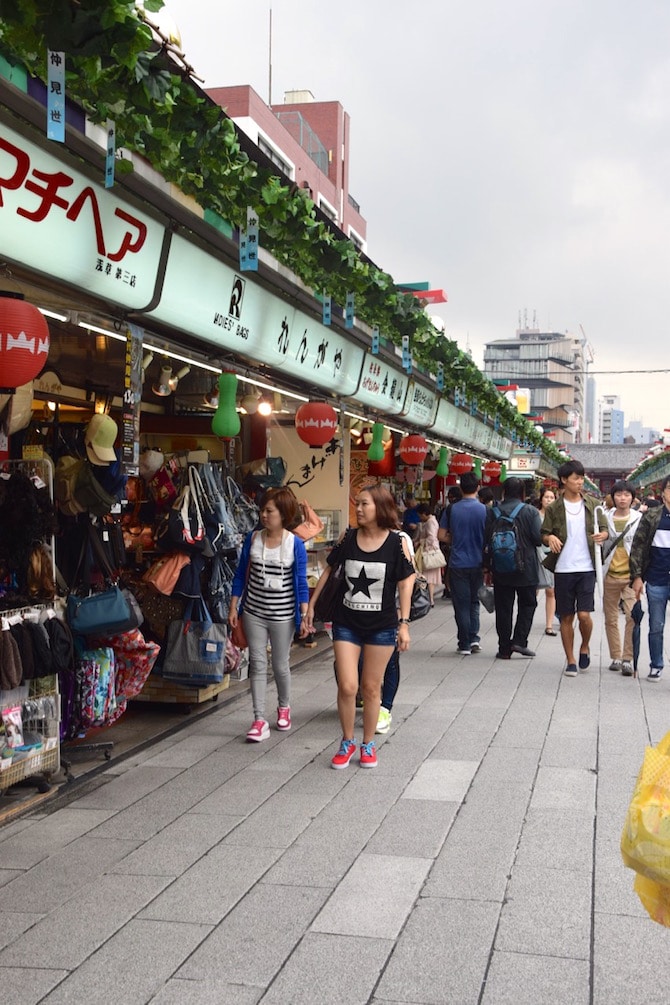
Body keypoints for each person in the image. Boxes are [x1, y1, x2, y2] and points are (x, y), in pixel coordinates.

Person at [305, 484, 415, 769]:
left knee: (370, 688)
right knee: (347, 685)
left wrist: (404, 624)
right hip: (346, 623)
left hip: (382, 626)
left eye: (365, 504)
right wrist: (312, 604)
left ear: (380, 507)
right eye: (358, 504)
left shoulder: (396, 542)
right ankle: (347, 740)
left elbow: (406, 581)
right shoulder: (348, 538)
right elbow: (330, 569)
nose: (359, 508)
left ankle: (367, 743)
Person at [229, 487, 310, 741]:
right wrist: (234, 605)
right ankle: (258, 719)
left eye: (269, 511)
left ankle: (284, 707)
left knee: (280, 665)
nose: (264, 515)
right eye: (262, 510)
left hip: (283, 615)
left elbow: (301, 581)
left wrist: (305, 613)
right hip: (254, 612)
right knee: (257, 663)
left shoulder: (294, 544)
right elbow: (241, 574)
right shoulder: (253, 540)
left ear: (284, 514)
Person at [540, 460, 609, 678]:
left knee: (585, 615)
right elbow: (543, 534)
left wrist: (603, 535)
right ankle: (570, 659)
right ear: (564, 480)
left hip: (587, 567)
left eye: (581, 478)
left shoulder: (592, 504)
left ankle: (585, 646)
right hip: (563, 568)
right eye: (576, 478)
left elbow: (606, 529)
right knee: (567, 616)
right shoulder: (554, 508)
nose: (580, 482)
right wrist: (549, 536)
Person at [485, 477, 542, 659]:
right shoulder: (530, 511)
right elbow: (538, 539)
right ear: (523, 493)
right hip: (526, 567)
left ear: (503, 492)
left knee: (503, 607)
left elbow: (487, 538)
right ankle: (519, 640)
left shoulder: (492, 512)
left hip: (501, 568)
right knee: (528, 604)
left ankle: (504, 648)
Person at [629, 474, 670, 682]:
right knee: (656, 625)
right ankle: (656, 664)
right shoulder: (652, 516)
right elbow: (637, 547)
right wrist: (637, 577)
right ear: (662, 492)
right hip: (656, 578)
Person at [603, 480, 642, 676]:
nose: (622, 498)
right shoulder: (605, 518)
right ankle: (616, 657)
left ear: (633, 498)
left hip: (630, 576)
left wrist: (640, 575)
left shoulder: (639, 519)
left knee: (631, 617)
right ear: (613, 497)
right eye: (619, 494)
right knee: (610, 619)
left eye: (627, 495)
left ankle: (628, 658)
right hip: (609, 574)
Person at [446, 471, 486, 655]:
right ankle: (474, 638)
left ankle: (464, 643)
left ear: (461, 488)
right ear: (478, 488)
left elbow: (440, 535)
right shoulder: (485, 510)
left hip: (457, 563)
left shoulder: (451, 509)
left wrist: (454, 539)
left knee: (461, 603)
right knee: (474, 602)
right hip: (478, 562)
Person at [535, 486, 557, 634]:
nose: (548, 500)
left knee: (551, 591)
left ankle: (549, 625)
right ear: (541, 499)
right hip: (536, 555)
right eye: (546, 497)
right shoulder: (534, 515)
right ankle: (527, 616)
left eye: (551, 497)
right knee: (534, 590)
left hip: (552, 556)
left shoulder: (557, 517)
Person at [437, 485, 463, 600]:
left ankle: (450, 590)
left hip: (452, 546)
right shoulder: (482, 509)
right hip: (474, 555)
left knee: (449, 569)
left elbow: (441, 534)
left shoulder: (449, 509)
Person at [416, 503, 442, 606]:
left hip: (429, 552)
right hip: (432, 552)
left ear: (424, 513)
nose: (420, 517)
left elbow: (431, 538)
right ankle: (430, 599)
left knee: (426, 577)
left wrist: (420, 542)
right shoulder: (431, 521)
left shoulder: (430, 522)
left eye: (420, 515)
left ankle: (428, 599)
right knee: (430, 578)